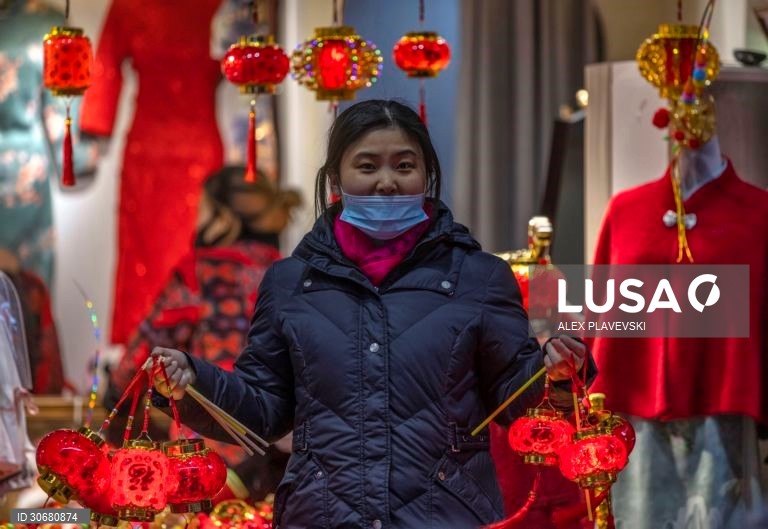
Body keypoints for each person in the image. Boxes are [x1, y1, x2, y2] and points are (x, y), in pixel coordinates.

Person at [151, 100, 590, 529]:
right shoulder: (289, 283)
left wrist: (557, 376)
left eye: (404, 166)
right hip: (321, 513)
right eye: (367, 166)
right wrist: (193, 380)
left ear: (427, 175)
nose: (387, 182)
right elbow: (264, 408)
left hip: (449, 513)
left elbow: (514, 398)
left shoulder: (480, 277)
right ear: (336, 179)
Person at [105, 165, 301, 499]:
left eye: (202, 210)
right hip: (284, 454)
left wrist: (115, 395)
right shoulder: (289, 273)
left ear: (224, 220)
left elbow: (149, 349)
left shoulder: (199, 271)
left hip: (213, 454)